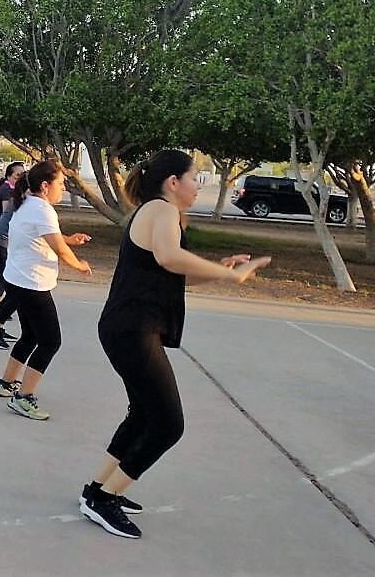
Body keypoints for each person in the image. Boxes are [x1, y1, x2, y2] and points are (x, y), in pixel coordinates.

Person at [79, 150, 270, 539]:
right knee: (168, 424)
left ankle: (96, 490)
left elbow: (173, 273)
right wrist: (230, 276)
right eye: (195, 177)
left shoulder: (158, 213)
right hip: (131, 329)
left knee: (143, 415)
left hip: (127, 327)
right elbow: (169, 258)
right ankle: (105, 501)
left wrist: (220, 271)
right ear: (173, 183)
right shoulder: (161, 211)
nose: (199, 185)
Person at [0, 159, 92, 421]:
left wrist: (70, 240)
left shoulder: (28, 203)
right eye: (60, 184)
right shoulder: (42, 210)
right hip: (31, 283)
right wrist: (79, 265)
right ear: (46, 186)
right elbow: (59, 249)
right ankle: (24, 398)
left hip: (18, 279)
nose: (63, 188)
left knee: (30, 336)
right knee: (50, 341)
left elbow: (47, 239)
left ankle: (6, 382)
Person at [0, 161, 26, 349]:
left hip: (1, 244)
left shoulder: (17, 196)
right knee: (14, 288)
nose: (19, 178)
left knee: (13, 286)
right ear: (10, 176)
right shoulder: (10, 195)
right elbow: (6, 217)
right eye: (18, 175)